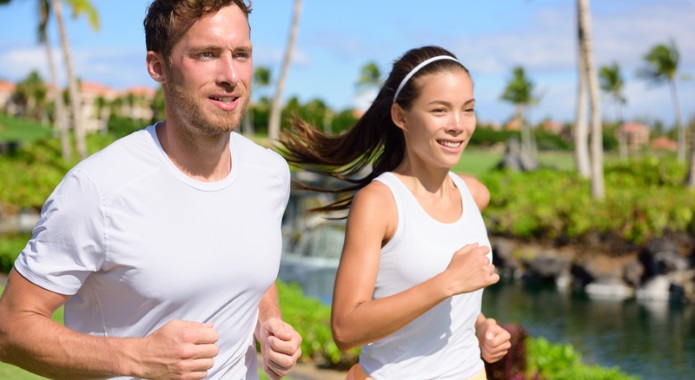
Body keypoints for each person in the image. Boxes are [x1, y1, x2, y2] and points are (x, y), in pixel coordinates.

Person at [0, 1, 302, 379]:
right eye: (206, 54)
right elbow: (9, 327)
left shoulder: (270, 173)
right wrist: (136, 357)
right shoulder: (98, 188)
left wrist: (267, 325)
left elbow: (249, 264)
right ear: (158, 66)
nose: (230, 74)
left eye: (241, 54)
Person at [279, 45, 511, 379]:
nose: (458, 125)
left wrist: (482, 327)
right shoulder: (380, 203)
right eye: (440, 110)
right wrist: (446, 282)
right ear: (401, 116)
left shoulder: (474, 195)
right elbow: (345, 329)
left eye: (468, 109)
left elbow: (454, 304)